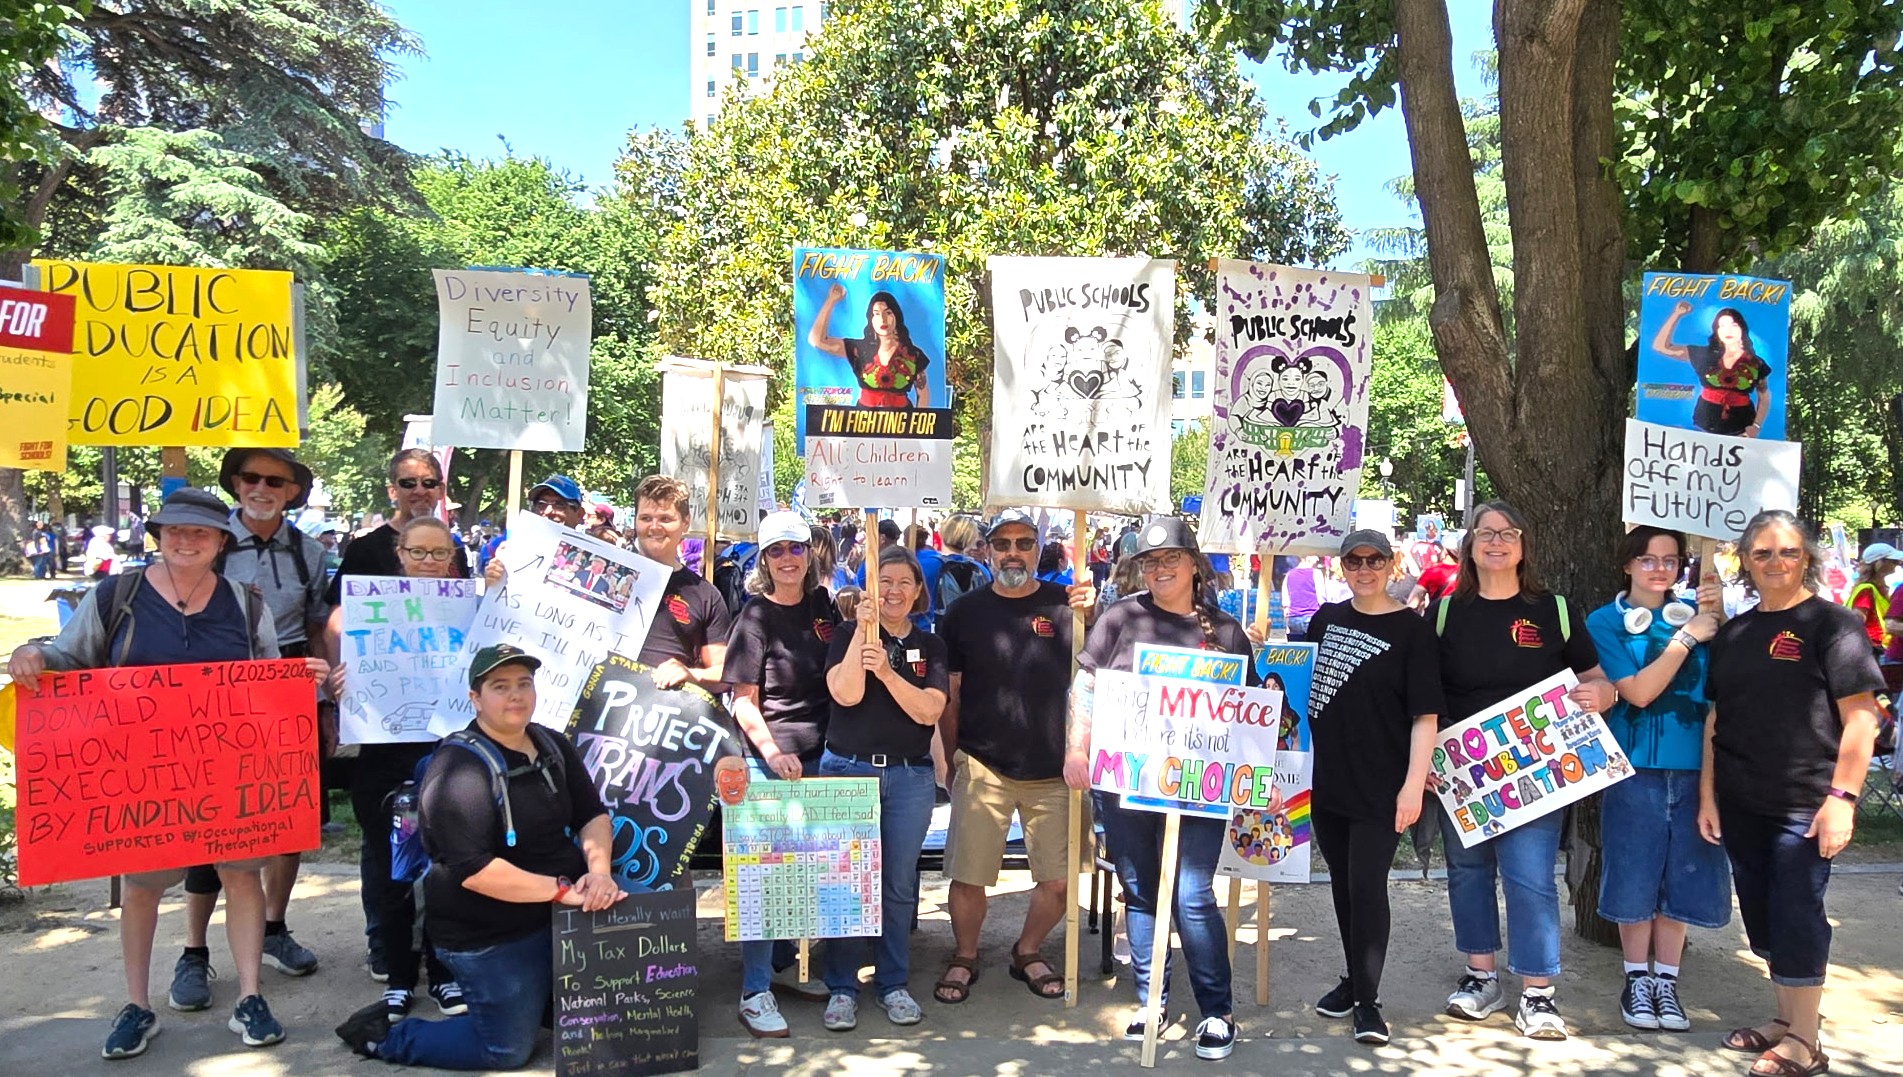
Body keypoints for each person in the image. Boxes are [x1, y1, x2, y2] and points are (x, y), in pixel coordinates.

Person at [7, 487, 328, 1058]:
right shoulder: (118, 595)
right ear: (157, 537)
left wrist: (301, 677)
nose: (185, 540)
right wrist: (35, 654)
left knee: (242, 877)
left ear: (220, 543)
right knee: (143, 886)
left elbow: (268, 678)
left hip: (230, 771)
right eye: (174, 530)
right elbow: (71, 655)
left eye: (200, 532)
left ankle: (250, 996)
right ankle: (136, 1004)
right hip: (143, 777)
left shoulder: (245, 604)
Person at [334, 644, 622, 1069]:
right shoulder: (457, 770)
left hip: (558, 913)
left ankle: (544, 1001)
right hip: (490, 932)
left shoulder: (552, 744)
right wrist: (563, 891)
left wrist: (599, 874)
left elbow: (592, 814)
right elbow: (475, 871)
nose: (516, 695)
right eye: (500, 686)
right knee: (506, 1050)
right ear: (475, 698)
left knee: (636, 909)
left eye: (524, 683)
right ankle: (386, 1037)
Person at [1063, 516, 1266, 1061]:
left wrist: (1257, 774)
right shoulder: (1120, 618)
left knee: (1193, 895)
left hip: (1199, 787)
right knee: (1140, 889)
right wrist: (1077, 748)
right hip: (1125, 782)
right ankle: (1151, 999)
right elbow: (1087, 684)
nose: (1159, 569)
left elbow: (1247, 713)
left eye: (1170, 558)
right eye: (1150, 562)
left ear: (1194, 565)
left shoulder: (1225, 632)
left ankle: (1217, 1011)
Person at [1701, 510, 1884, 1077]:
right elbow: (1716, 719)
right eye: (1762, 552)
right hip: (1740, 799)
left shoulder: (1835, 625)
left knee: (1797, 913)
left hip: (1806, 802)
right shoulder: (1734, 634)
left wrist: (1843, 800)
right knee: (1761, 915)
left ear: (1807, 557)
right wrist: (1708, 796)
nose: (1776, 562)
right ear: (1745, 562)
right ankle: (1785, 1020)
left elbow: (1863, 718)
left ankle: (1807, 1041)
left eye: (1788, 551)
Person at [1429, 501, 1616, 1040]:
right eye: (1485, 533)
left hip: (1537, 772)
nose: (1496, 541)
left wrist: (1603, 694)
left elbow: (1594, 676)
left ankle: (1538, 992)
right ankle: (1480, 976)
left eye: (1508, 533)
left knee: (1530, 877)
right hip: (1460, 770)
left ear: (1523, 545)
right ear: (1469, 546)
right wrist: (1424, 759)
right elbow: (1421, 690)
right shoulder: (1443, 613)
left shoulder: (1554, 610)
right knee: (1467, 872)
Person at [163, 448, 335, 1015]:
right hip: (214, 691)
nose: (262, 488)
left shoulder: (310, 552)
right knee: (208, 823)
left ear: (292, 492)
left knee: (288, 817)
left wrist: (324, 706)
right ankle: (194, 951)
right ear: (236, 485)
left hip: (288, 689)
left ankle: (274, 927)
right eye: (251, 478)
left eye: (275, 481)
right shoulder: (211, 541)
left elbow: (316, 626)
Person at [933, 510, 1095, 1007]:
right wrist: (952, 757)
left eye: (1024, 543)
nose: (1012, 553)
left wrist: (1093, 612)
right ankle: (965, 954)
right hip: (983, 763)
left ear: (1037, 550)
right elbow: (952, 693)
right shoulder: (964, 613)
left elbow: (1095, 676)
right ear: (986, 549)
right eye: (1002, 544)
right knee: (969, 876)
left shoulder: (1068, 607)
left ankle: (1027, 950)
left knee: (1060, 880)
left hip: (1056, 768)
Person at [1584, 526, 1731, 1032]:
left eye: (1670, 560)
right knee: (1634, 874)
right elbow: (1638, 692)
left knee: (1683, 877)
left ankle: (1666, 981)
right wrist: (1687, 639)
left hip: (1696, 768)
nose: (1659, 569)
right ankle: (1635, 979)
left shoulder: (1702, 614)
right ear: (1627, 564)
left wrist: (1718, 619)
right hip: (1632, 766)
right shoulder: (1605, 621)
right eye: (1647, 559)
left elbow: (1723, 690)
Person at [324, 516, 470, 1022]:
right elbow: (342, 662)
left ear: (451, 559)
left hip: (449, 757)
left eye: (439, 553)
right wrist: (337, 685)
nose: (428, 562)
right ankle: (400, 978)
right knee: (393, 871)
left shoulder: (470, 608)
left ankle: (444, 973)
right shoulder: (370, 607)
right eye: (418, 552)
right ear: (400, 555)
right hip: (384, 760)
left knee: (447, 871)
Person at [1303, 530, 1441, 1046]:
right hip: (1329, 780)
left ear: (1391, 564)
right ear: (1342, 567)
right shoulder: (1325, 620)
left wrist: (1412, 786)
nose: (1364, 570)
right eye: (1354, 561)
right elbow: (1293, 682)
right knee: (1342, 885)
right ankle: (1354, 978)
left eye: (1374, 560)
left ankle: (1368, 1001)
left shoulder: (1413, 631)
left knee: (1366, 887)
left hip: (1382, 783)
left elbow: (1425, 716)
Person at [818, 545, 948, 1031]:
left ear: (917, 591)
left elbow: (929, 711)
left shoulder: (930, 646)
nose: (894, 591)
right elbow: (846, 693)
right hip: (848, 772)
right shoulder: (846, 634)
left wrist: (889, 673)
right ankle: (842, 987)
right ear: (870, 589)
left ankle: (892, 982)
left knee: (896, 884)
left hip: (909, 778)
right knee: (846, 883)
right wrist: (861, 634)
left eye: (903, 583)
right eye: (884, 582)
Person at [722, 511, 842, 1036]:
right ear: (764, 561)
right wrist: (772, 753)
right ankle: (754, 991)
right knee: (763, 881)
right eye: (776, 551)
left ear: (809, 552)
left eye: (795, 548)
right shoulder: (754, 616)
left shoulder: (823, 605)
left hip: (823, 756)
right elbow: (743, 701)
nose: (788, 559)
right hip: (770, 761)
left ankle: (792, 963)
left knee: (810, 872)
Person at [327, 449, 470, 608]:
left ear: (441, 491)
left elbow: (465, 606)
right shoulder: (364, 548)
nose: (420, 491)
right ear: (393, 491)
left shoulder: (455, 547)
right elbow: (339, 611)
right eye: (408, 483)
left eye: (428, 483)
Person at [1649, 301, 1774, 437]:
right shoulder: (1703, 354)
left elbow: (1764, 396)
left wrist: (1756, 426)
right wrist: (1676, 314)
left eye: (1733, 325)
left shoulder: (1756, 363)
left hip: (1741, 431)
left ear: (1742, 328)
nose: (1728, 331)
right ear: (1716, 331)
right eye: (1722, 326)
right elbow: (1660, 346)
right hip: (1703, 427)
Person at [808, 284, 933, 407]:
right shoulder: (858, 349)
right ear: (870, 320)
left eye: (888, 313)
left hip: (902, 418)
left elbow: (923, 394)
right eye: (876, 314)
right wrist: (831, 301)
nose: (882, 319)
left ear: (896, 316)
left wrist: (916, 420)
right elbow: (817, 340)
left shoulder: (912, 354)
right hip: (863, 419)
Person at [1846, 541, 1899, 657]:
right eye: (1893, 561)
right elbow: (1857, 620)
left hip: (1877, 647)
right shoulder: (1866, 590)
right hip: (1872, 649)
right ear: (1879, 563)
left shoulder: (1876, 588)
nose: (1897, 564)